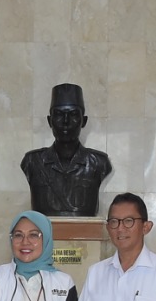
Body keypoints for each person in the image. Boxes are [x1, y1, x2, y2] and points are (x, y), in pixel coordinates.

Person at [20, 83, 114, 217]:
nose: (65, 121)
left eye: (73, 114)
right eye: (58, 114)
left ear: (84, 121)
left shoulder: (99, 163)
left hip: (85, 230)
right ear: (49, 121)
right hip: (43, 230)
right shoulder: (32, 161)